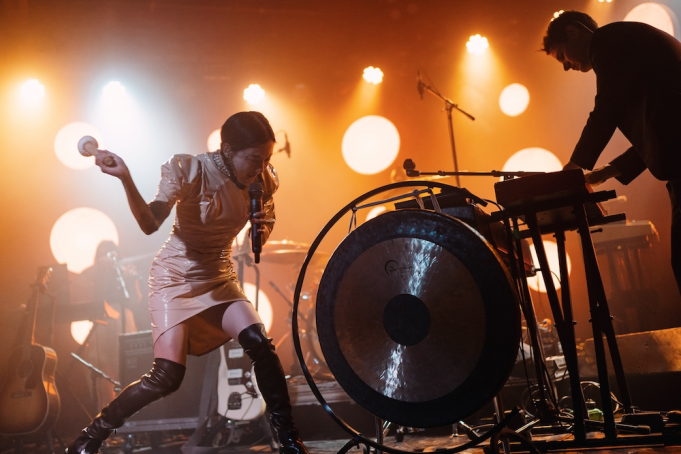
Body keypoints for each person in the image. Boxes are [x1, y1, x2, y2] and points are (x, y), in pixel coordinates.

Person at [66, 111, 310, 454]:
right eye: (254, 158)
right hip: (176, 275)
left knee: (260, 345)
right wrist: (125, 178)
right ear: (227, 150)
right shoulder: (192, 170)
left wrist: (261, 227)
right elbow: (150, 223)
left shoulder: (263, 180)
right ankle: (91, 435)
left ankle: (288, 441)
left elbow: (263, 225)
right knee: (167, 377)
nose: (261, 165)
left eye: (266, 158)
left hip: (218, 274)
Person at [542, 10, 681, 293]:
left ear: (573, 32)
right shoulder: (625, 44)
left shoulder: (608, 41)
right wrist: (608, 171)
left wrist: (573, 168)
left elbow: (606, 109)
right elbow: (659, 128)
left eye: (562, 57)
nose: (567, 67)